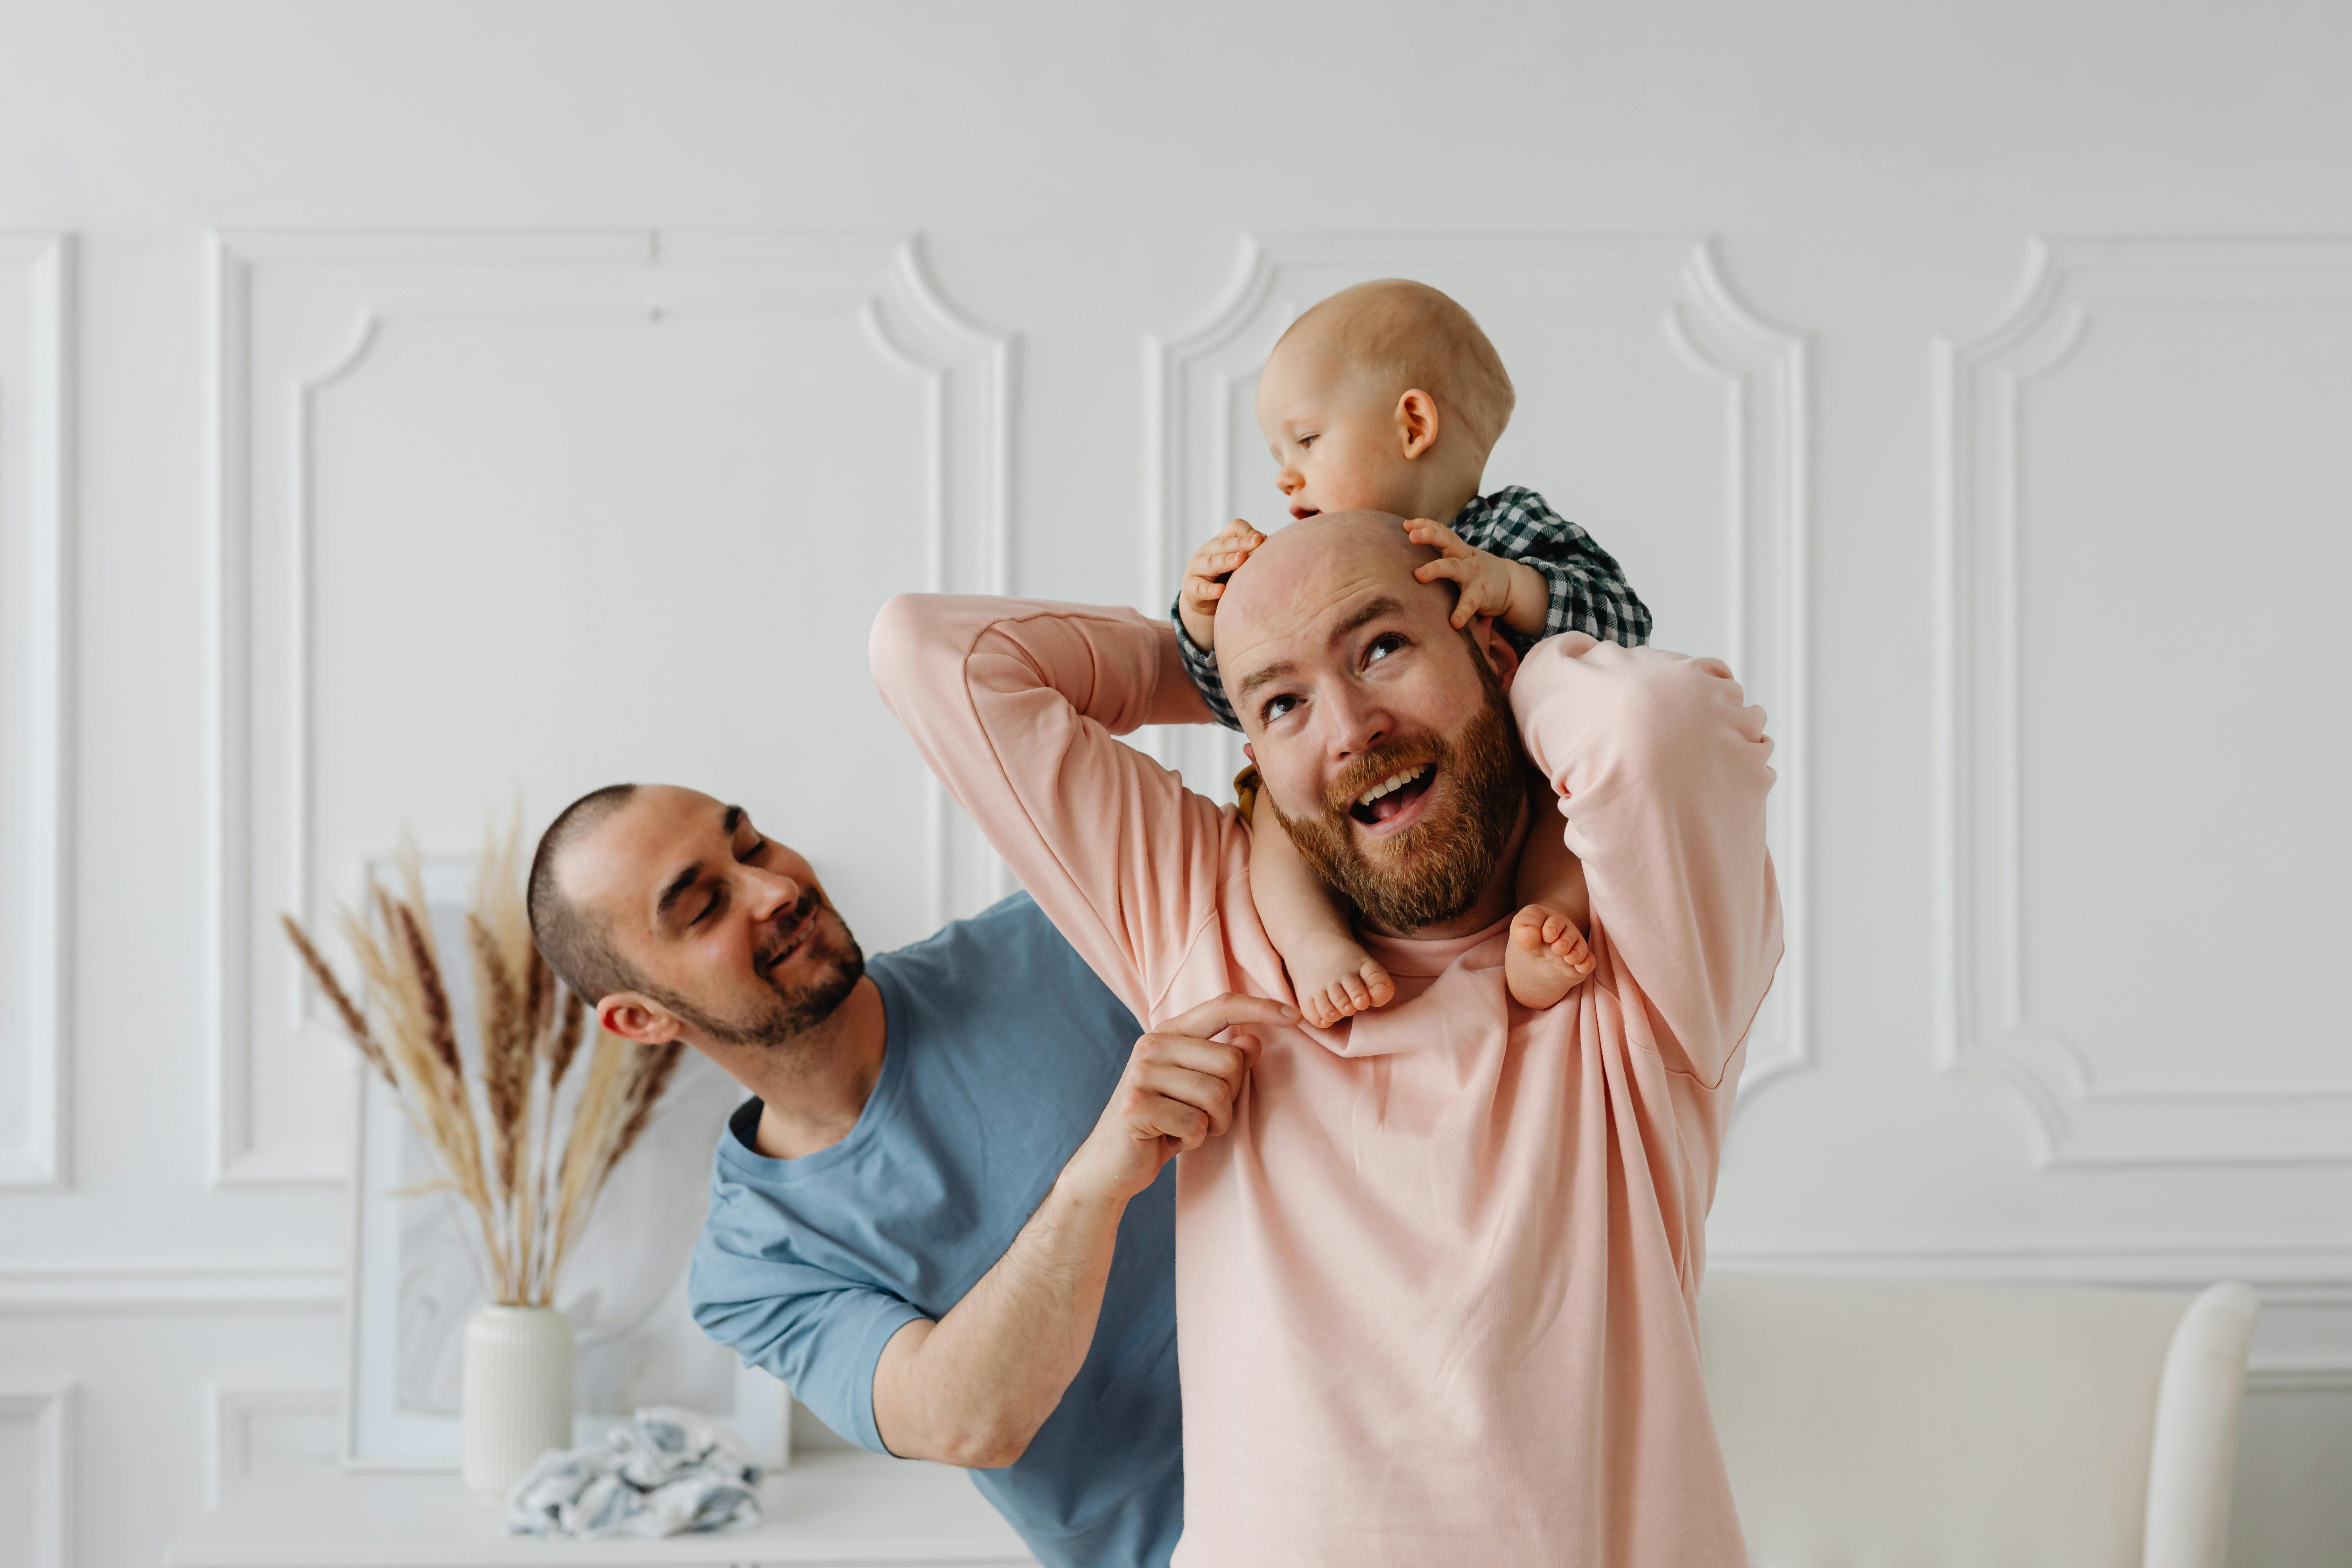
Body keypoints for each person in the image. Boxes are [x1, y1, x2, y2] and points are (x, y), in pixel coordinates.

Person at [873, 510, 1781, 1566]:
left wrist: (1515, 650)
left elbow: (1653, 723)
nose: (1352, 729)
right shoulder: (1208, 924)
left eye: (1383, 648)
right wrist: (1211, 660)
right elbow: (928, 653)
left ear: (1489, 649)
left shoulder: (1637, 963)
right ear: (1253, 751)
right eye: (1287, 704)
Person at [524, 787, 1294, 1568]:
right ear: (643, 1018)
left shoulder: (1067, 930)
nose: (777, 888)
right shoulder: (754, 1267)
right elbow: (968, 1420)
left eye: (752, 845)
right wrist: (1096, 1181)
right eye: (703, 907)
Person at [1172, 278, 1653, 1026]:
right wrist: (1204, 622)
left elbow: (1626, 623)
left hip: (1508, 771)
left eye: (1306, 440)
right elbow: (1240, 699)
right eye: (1279, 455)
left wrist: (1511, 585)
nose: (1284, 477)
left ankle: (1547, 923)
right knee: (1270, 804)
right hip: (1381, 806)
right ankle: (1312, 945)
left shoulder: (1507, 529)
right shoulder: (1309, 566)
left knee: (1574, 808)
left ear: (1414, 423)